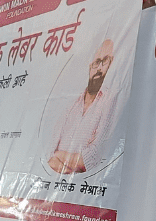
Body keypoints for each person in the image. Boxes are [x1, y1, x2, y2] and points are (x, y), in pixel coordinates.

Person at [47, 39, 117, 175]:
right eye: (97, 62)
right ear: (90, 66)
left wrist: (59, 155)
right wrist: (74, 161)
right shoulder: (72, 103)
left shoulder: (109, 100)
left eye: (105, 61)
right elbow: (49, 155)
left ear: (110, 65)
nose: (99, 68)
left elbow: (92, 159)